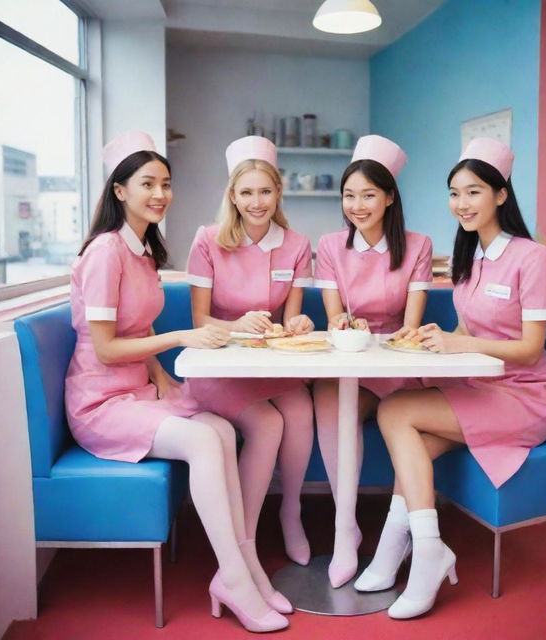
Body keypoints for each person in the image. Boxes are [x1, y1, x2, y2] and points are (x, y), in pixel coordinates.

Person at [65, 131, 288, 633]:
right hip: (99, 404)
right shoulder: (105, 251)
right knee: (205, 441)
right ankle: (232, 575)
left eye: (166, 183)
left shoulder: (142, 249)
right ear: (119, 190)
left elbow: (137, 328)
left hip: (139, 391)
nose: (160, 194)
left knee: (226, 431)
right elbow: (104, 348)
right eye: (147, 183)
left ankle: (245, 562)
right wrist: (183, 337)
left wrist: (163, 378)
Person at [372, 137, 546, 619]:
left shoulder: (533, 257)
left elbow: (529, 348)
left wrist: (463, 344)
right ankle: (397, 549)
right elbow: (470, 329)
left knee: (394, 410)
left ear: (501, 194)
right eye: (454, 193)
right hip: (480, 389)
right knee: (412, 444)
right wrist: (442, 335)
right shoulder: (469, 257)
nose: (461, 203)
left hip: (524, 397)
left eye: (474, 191)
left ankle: (428, 551)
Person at [185, 136, 315, 602]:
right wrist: (235, 323)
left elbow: (291, 321)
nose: (256, 202)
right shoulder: (207, 240)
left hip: (270, 362)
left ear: (278, 193)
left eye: (265, 192)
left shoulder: (297, 245)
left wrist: (299, 322)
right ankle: (248, 541)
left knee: (300, 410)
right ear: (232, 196)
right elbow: (199, 321)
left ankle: (292, 511)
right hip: (219, 361)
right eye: (246, 193)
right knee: (273, 422)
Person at [313, 135, 433, 588]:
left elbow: (411, 325)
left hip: (398, 365)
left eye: (367, 194)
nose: (357, 205)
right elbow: (333, 319)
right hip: (352, 364)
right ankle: (346, 529)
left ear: (388, 197)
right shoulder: (329, 246)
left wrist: (395, 336)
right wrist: (343, 323)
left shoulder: (418, 246)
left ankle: (396, 531)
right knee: (328, 401)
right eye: (349, 195)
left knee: (395, 410)